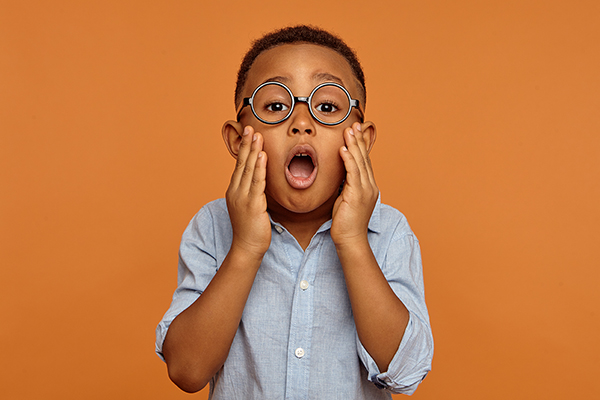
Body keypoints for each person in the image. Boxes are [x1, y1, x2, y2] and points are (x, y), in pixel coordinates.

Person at [156, 25, 433, 399]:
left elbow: (406, 373)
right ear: (239, 141)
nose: (301, 123)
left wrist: (353, 241)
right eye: (275, 106)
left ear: (362, 141)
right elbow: (187, 371)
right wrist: (245, 248)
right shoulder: (213, 227)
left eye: (326, 107)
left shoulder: (389, 231)